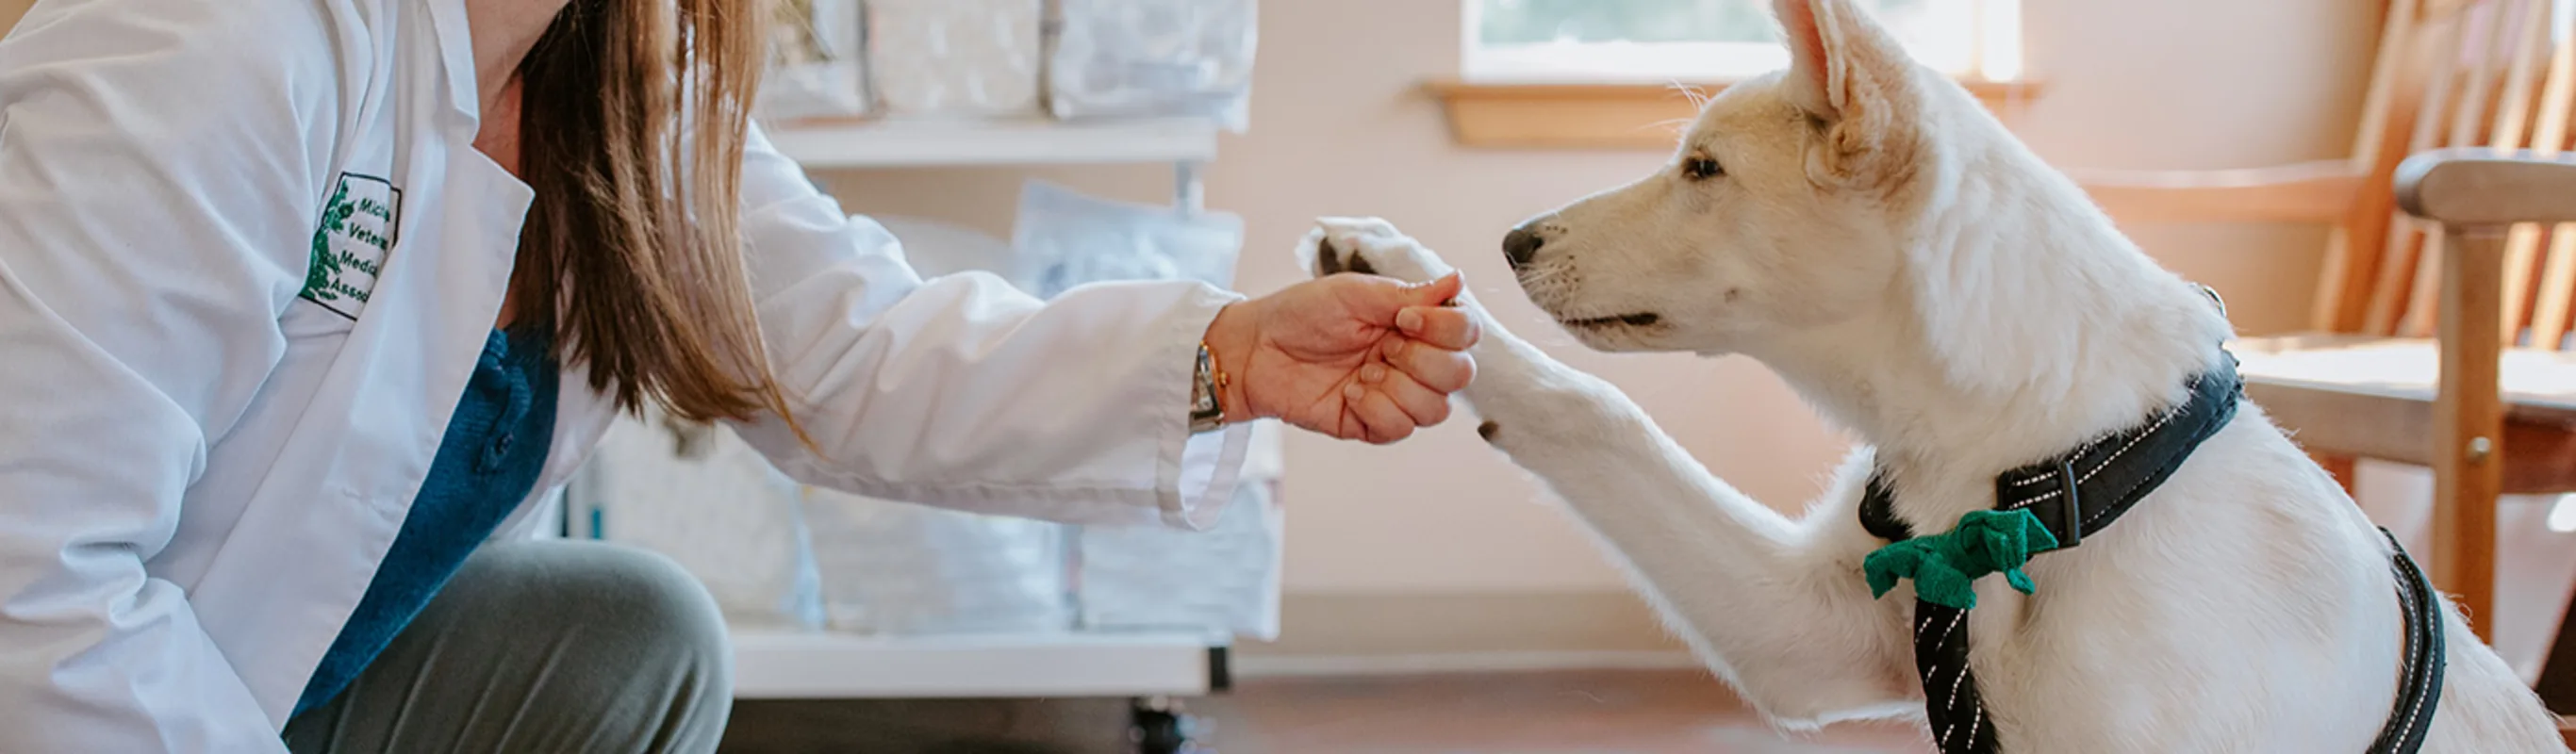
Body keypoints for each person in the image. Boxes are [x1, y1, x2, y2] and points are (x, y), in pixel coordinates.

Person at [0, 0, 1480, 751]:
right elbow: (32, 595)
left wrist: (1229, 355)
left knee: (632, 633)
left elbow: (850, 349)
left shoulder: (609, 75)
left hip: (259, 673)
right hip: (76, 704)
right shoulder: (200, 55)